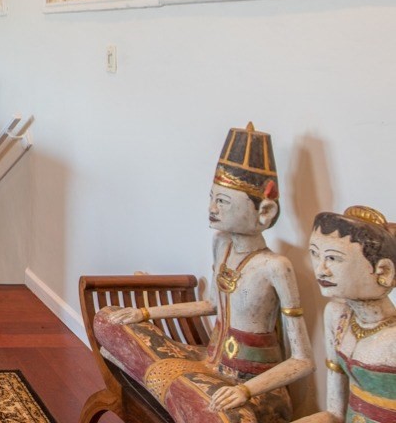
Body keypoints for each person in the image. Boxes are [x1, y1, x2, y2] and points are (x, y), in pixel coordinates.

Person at [94, 123, 313, 422]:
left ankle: (167, 386)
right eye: (212, 197)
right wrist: (143, 314)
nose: (212, 208)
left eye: (222, 201)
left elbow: (303, 361)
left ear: (265, 212)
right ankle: (176, 390)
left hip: (247, 384)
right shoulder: (220, 243)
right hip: (204, 364)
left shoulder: (275, 266)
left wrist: (247, 392)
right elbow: (210, 304)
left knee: (220, 416)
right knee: (107, 319)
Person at [294, 206, 396, 423]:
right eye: (314, 254)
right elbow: (335, 414)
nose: (320, 269)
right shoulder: (337, 315)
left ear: (383, 272)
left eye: (333, 258)